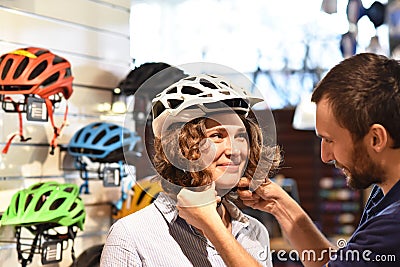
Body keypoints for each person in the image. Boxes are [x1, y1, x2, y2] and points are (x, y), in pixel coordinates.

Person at [177, 53, 400, 267]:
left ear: (375, 138)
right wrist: (281, 206)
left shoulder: (392, 225)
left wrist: (214, 229)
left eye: (330, 140)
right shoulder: (384, 194)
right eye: (217, 136)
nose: (325, 156)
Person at [100, 74, 281, 267]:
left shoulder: (253, 231)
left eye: (241, 136)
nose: (235, 150)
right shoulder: (132, 236)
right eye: (217, 135)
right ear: (178, 147)